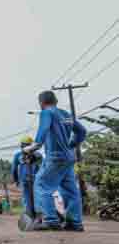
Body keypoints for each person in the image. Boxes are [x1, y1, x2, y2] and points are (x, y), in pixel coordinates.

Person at [24, 90, 87, 231]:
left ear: (41, 103)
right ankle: (75, 223)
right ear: (55, 100)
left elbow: (43, 130)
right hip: (69, 158)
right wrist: (71, 145)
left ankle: (50, 220)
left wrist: (32, 147)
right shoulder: (66, 115)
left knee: (41, 185)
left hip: (55, 157)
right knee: (71, 191)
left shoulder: (47, 113)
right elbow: (82, 131)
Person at [11, 135, 42, 216]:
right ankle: (39, 216)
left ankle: (29, 216)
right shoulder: (38, 155)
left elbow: (13, 170)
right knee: (37, 198)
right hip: (37, 180)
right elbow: (43, 167)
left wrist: (16, 181)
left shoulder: (18, 155)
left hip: (24, 180)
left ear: (22, 145)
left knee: (27, 198)